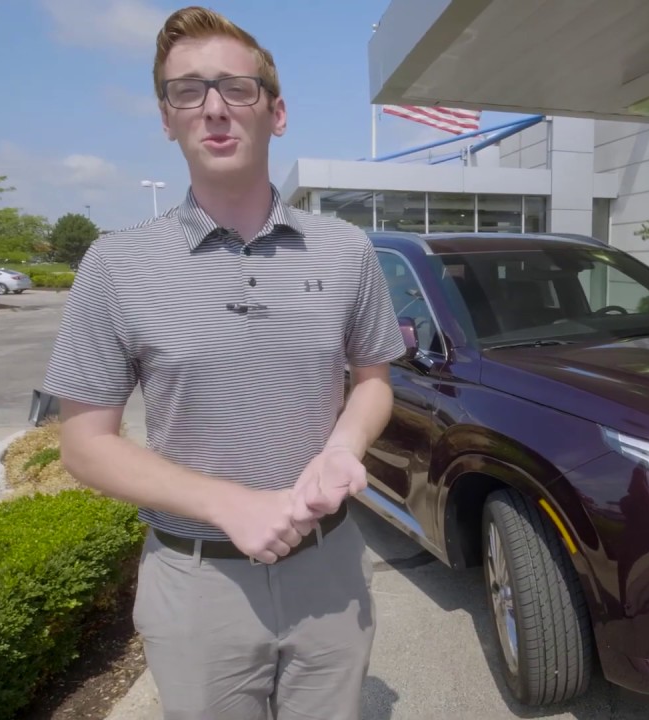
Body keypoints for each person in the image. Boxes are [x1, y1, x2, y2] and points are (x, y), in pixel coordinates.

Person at [41, 6, 406, 719]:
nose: (214, 108)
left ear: (277, 111)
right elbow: (84, 446)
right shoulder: (117, 264)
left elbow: (374, 382)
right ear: (166, 117)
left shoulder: (345, 251)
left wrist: (344, 445)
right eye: (188, 91)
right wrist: (229, 504)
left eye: (237, 89)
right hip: (196, 580)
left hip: (329, 568)